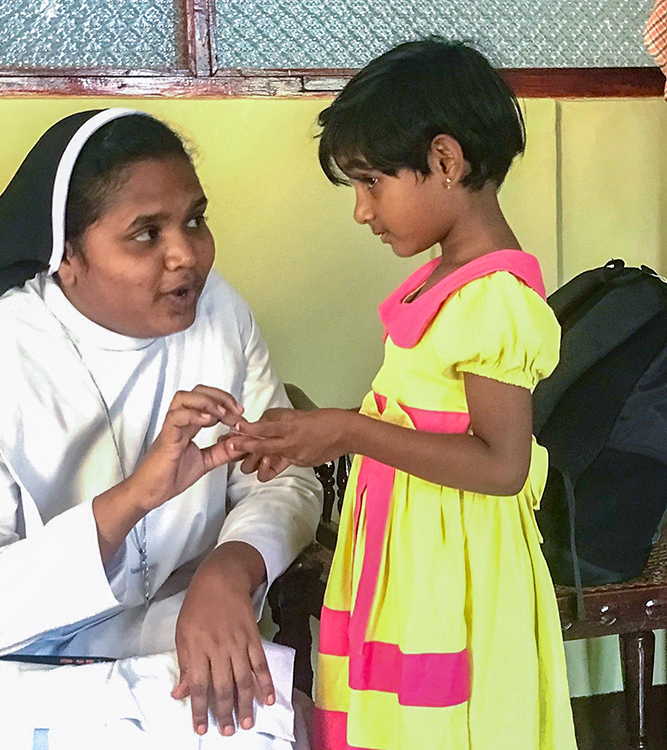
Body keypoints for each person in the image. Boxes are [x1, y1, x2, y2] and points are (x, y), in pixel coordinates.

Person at [0, 109, 321, 746]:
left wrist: (229, 571)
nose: (186, 255)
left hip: (169, 633)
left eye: (195, 221)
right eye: (146, 234)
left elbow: (281, 477)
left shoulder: (219, 313)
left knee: (264, 715)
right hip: (0, 659)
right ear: (66, 254)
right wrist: (130, 501)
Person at [228, 39, 578, 750]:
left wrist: (348, 433)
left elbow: (501, 464)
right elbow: (422, 417)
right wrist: (313, 429)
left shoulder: (494, 301)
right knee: (401, 720)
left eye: (371, 184)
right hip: (410, 552)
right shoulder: (440, 281)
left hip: (457, 570)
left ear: (445, 163)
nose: (362, 211)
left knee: (447, 723)